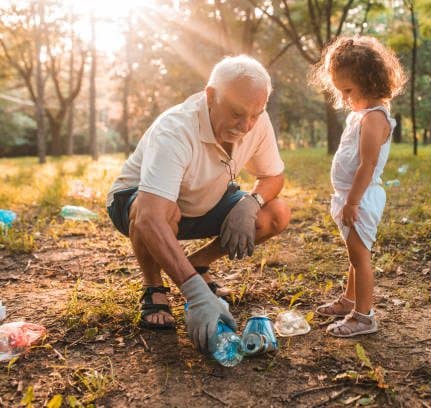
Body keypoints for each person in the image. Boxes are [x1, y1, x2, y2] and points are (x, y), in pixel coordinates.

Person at [106, 55, 291, 353]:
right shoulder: (175, 129)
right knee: (151, 209)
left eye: (256, 114)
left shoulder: (257, 122)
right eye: (236, 113)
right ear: (211, 96)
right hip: (138, 204)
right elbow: (149, 218)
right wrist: (195, 294)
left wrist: (250, 203)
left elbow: (274, 175)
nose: (246, 125)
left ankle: (198, 263)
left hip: (205, 200)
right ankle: (155, 287)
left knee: (276, 212)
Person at [311, 36, 406, 337]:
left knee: (360, 258)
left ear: (369, 81)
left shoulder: (375, 119)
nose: (345, 98)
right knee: (354, 254)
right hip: (351, 198)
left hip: (361, 199)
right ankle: (349, 300)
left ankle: (363, 317)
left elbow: (367, 165)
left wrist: (352, 202)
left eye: (348, 90)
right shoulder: (362, 115)